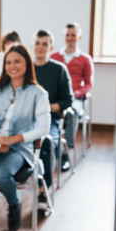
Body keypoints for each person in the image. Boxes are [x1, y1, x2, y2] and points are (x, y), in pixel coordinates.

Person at [0, 44, 51, 231]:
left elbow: (43, 128)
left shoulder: (38, 93)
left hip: (18, 148)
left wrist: (11, 139)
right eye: (8, 62)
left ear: (27, 64)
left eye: (17, 61)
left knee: (0, 174)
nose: (12, 66)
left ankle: (14, 204)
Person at [33, 30, 73, 203]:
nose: (40, 47)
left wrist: (46, 108)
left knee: (46, 142)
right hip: (26, 120)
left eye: (45, 44)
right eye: (37, 43)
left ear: (51, 47)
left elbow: (67, 100)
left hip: (51, 119)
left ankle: (43, 189)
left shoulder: (59, 69)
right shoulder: (26, 69)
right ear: (33, 45)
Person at [50, 22, 94, 170]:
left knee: (72, 112)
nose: (70, 38)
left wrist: (77, 93)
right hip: (56, 98)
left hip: (75, 98)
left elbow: (89, 84)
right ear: (64, 36)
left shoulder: (85, 59)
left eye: (73, 35)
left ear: (79, 37)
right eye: (67, 35)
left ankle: (65, 152)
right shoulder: (54, 56)